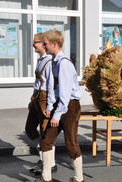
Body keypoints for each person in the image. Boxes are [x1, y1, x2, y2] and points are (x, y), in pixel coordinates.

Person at [35, 29, 84, 182]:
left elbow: (64, 92)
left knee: (71, 143)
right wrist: (49, 108)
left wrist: (57, 114)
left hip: (70, 106)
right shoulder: (53, 61)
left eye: (46, 43)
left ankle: (79, 178)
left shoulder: (64, 64)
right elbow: (51, 88)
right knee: (46, 140)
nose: (44, 45)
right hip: (59, 105)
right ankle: (46, 177)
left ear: (54, 44)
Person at [25, 32, 57, 175]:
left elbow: (50, 85)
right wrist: (32, 98)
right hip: (38, 97)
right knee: (30, 128)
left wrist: (50, 106)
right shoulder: (41, 59)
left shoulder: (49, 61)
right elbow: (38, 82)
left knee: (45, 133)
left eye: (35, 42)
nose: (33, 45)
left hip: (45, 98)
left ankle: (50, 163)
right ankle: (44, 159)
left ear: (43, 44)